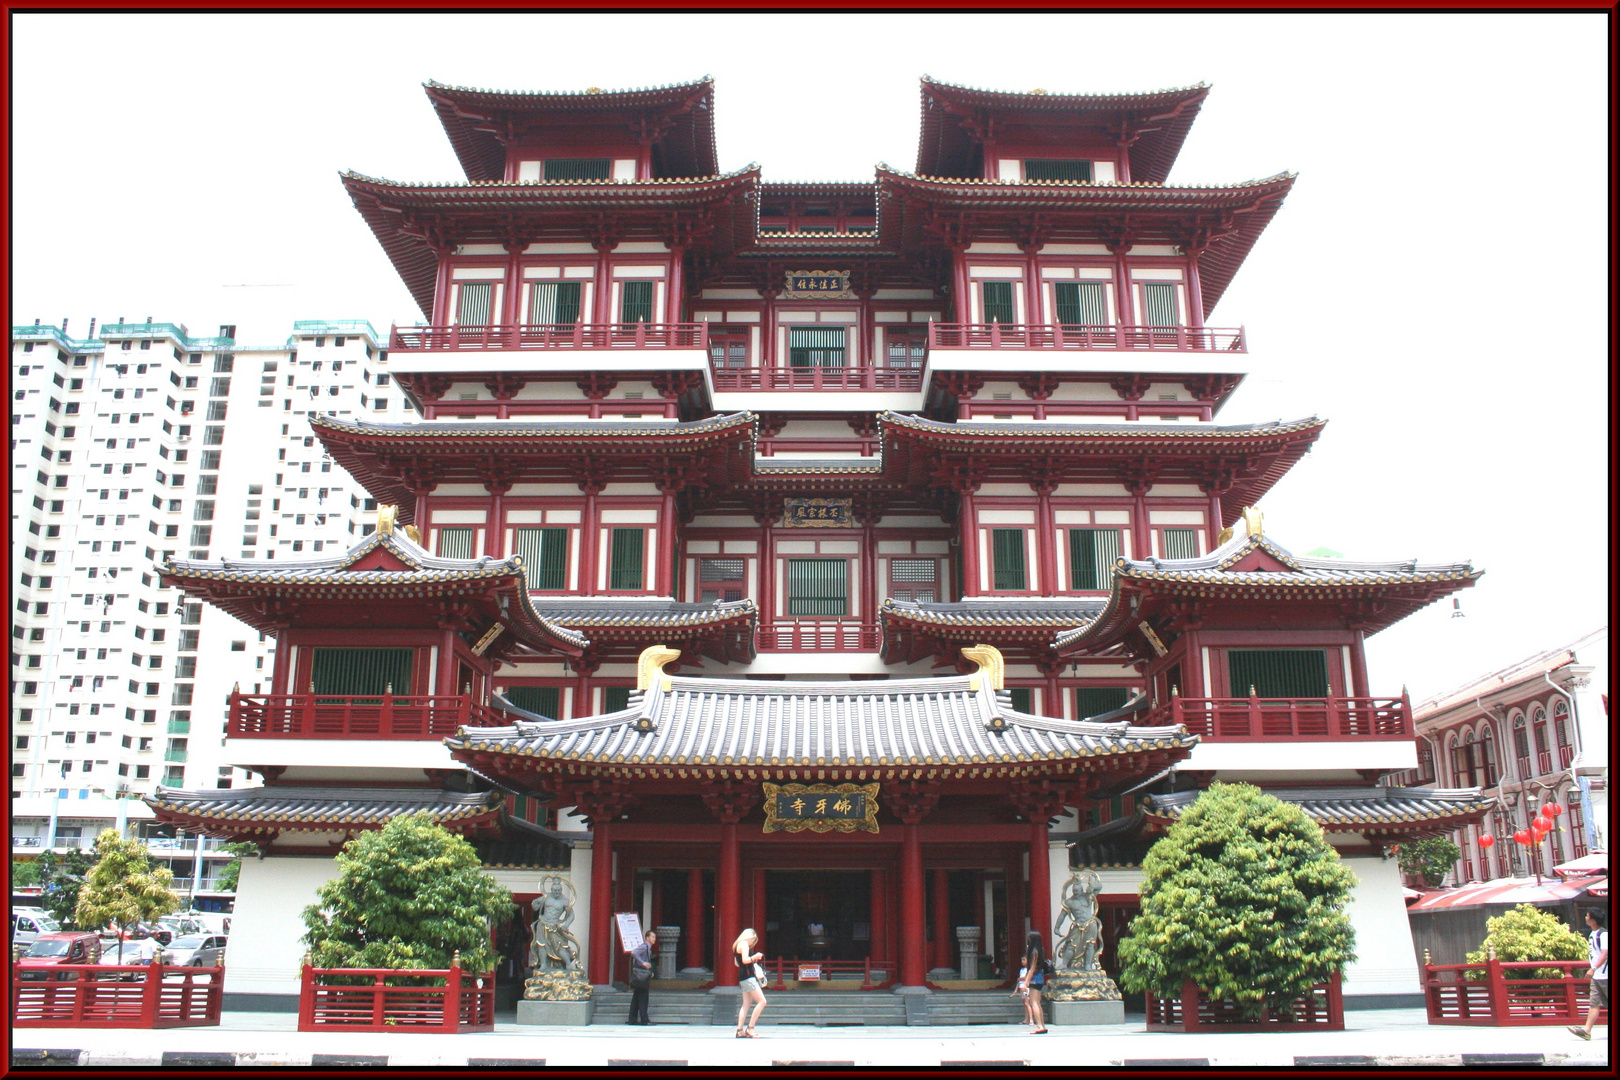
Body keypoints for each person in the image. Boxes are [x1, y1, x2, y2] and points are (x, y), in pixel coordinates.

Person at [1570, 910, 1608, 1041]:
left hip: (1606, 975)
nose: (1585, 917)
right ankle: (1586, 1031)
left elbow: (1605, 954)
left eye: (1587, 916)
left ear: (1593, 920)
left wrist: (1594, 968)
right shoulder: (1593, 934)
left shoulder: (1604, 935)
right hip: (1597, 977)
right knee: (1594, 1003)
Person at [734, 928, 768, 1037]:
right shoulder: (744, 944)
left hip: (743, 976)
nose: (752, 943)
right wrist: (755, 957)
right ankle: (751, 1027)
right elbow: (745, 960)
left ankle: (740, 1030)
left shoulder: (736, 945)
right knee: (762, 1002)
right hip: (748, 977)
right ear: (750, 937)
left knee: (746, 1004)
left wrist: (749, 960)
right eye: (753, 940)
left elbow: (737, 963)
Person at [1018, 930, 1048, 1034]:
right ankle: (1042, 1025)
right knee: (1037, 1003)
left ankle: (1039, 1025)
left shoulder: (1034, 951)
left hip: (1034, 978)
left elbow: (1032, 968)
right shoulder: (1041, 950)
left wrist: (1026, 982)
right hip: (1040, 977)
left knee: (1034, 1002)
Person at [627, 930, 657, 1025]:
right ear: (647, 938)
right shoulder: (644, 946)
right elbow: (634, 953)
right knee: (643, 997)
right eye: (652, 937)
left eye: (655, 937)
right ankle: (644, 1019)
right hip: (641, 975)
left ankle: (632, 1019)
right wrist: (642, 962)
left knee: (636, 998)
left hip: (642, 974)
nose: (654, 939)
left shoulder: (648, 948)